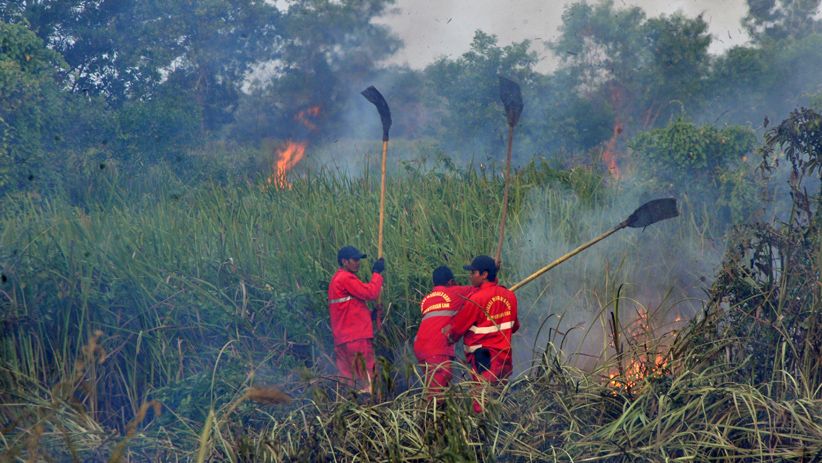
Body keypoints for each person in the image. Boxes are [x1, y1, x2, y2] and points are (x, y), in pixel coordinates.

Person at [446, 255, 519, 391]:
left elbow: (456, 330)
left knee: (482, 404)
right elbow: (514, 327)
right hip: (505, 361)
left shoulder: (475, 300)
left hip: (484, 363)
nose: (470, 276)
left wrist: (447, 336)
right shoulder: (510, 296)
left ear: (484, 274)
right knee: (499, 398)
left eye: (473, 273)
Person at [328, 245, 385, 394]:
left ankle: (351, 413)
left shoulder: (336, 280)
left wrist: (371, 316)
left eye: (359, 259)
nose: (358, 262)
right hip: (356, 339)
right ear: (344, 261)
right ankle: (371, 409)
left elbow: (349, 309)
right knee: (367, 380)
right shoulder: (345, 278)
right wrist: (377, 273)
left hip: (342, 340)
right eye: (354, 260)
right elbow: (370, 293)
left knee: (349, 383)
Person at [413, 266, 475, 395]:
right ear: (451, 282)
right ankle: (431, 414)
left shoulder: (426, 300)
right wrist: (494, 271)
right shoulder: (455, 292)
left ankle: (435, 412)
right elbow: (481, 289)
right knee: (437, 394)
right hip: (437, 348)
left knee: (433, 386)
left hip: (420, 347)